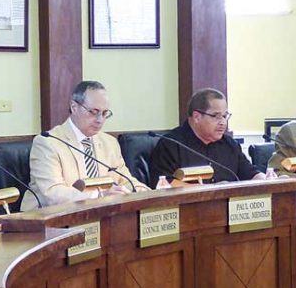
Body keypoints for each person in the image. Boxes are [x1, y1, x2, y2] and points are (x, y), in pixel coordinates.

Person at [21, 81, 148, 211]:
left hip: (99, 217)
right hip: (47, 219)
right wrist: (99, 196)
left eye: (104, 113)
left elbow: (124, 179)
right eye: (94, 112)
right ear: (74, 107)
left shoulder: (109, 143)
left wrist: (142, 191)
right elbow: (53, 193)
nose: (100, 120)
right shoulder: (48, 142)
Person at [149, 88, 264, 186]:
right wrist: (210, 191)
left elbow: (251, 174)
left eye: (225, 116)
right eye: (216, 116)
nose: (223, 122)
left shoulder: (230, 145)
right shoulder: (171, 144)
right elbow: (164, 183)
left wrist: (268, 180)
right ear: (197, 117)